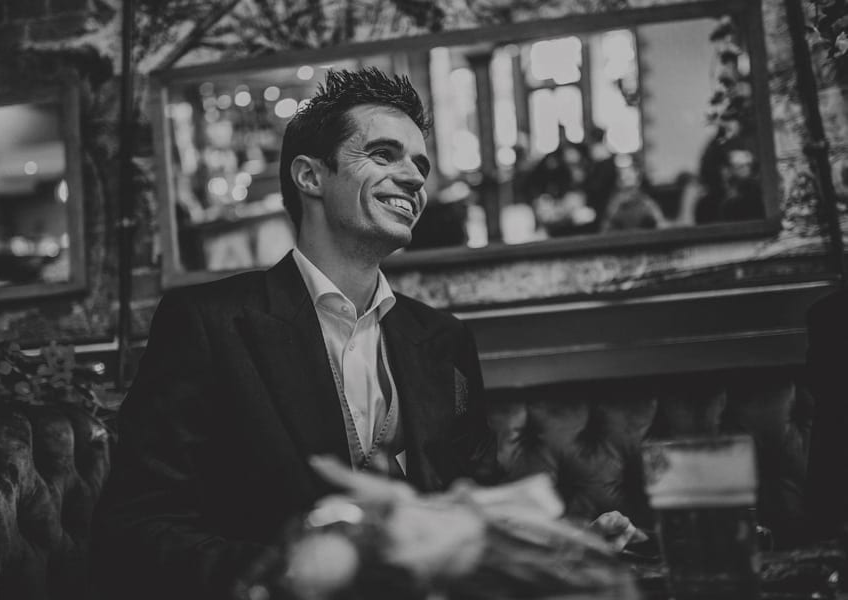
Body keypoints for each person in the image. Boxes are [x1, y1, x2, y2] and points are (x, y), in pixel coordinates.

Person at [91, 68, 642, 600]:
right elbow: (137, 527)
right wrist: (301, 574)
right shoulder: (208, 323)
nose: (415, 178)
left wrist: (561, 548)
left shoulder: (444, 339)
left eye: (420, 164)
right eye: (383, 154)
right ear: (310, 176)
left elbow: (472, 506)